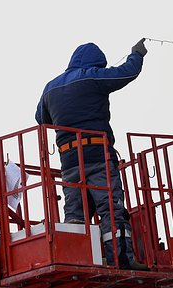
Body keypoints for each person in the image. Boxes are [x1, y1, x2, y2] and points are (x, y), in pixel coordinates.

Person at [35, 40, 149, 270]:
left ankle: (77, 259)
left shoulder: (50, 88)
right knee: (111, 210)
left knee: (75, 214)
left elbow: (41, 120)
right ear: (96, 62)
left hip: (69, 163)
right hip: (97, 157)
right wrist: (136, 54)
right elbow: (126, 73)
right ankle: (122, 260)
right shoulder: (93, 77)